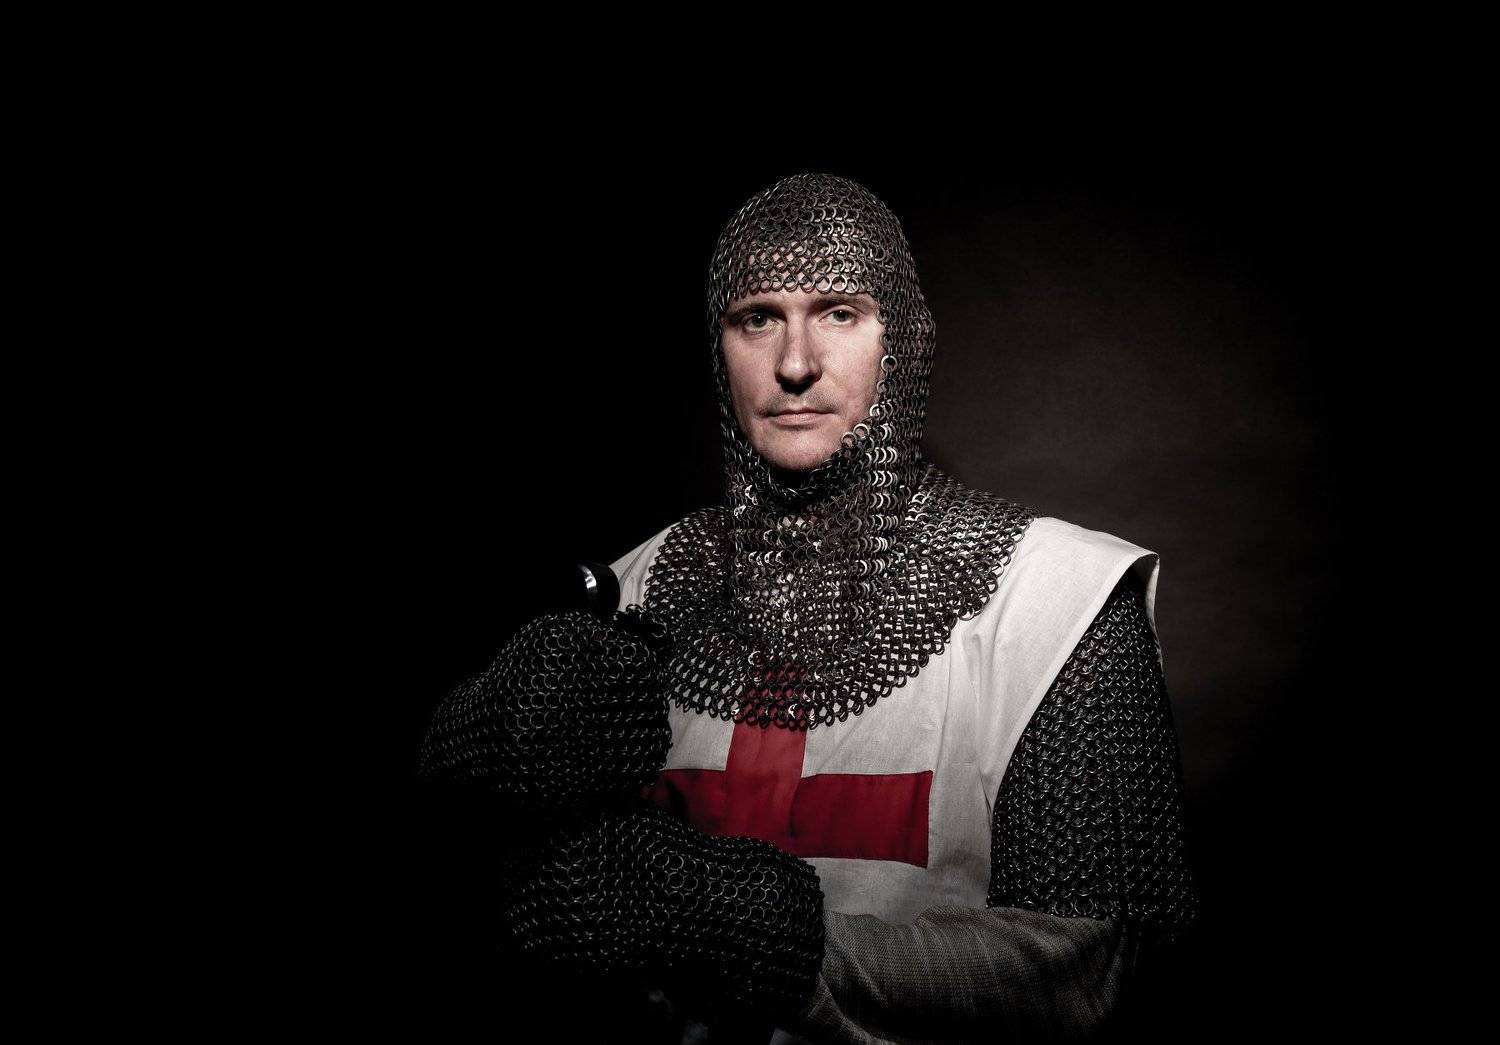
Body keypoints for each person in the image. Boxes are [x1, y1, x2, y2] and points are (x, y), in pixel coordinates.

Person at [420, 173, 1198, 1043]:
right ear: (720, 348)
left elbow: (1084, 974)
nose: (795, 363)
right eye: (758, 317)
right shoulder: (634, 593)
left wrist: (754, 937)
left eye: (838, 312)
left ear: (902, 341)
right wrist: (477, 769)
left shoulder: (1056, 607)